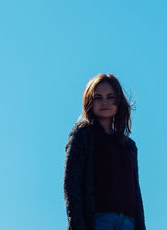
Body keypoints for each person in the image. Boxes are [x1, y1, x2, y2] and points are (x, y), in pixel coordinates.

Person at [63, 73, 146, 230]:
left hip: (129, 223)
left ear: (118, 101)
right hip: (98, 221)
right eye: (98, 97)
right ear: (89, 101)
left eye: (110, 97)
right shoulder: (82, 136)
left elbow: (135, 192)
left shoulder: (129, 146)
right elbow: (71, 185)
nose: (105, 102)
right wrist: (78, 225)